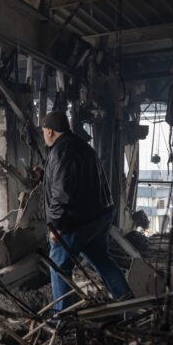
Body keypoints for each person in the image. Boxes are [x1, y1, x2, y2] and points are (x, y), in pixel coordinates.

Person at [41, 110, 133, 312]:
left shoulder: (61, 152)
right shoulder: (82, 146)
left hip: (75, 222)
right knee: (102, 261)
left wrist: (55, 226)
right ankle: (129, 306)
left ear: (49, 131)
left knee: (58, 267)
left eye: (43, 131)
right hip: (97, 217)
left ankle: (61, 319)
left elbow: (62, 194)